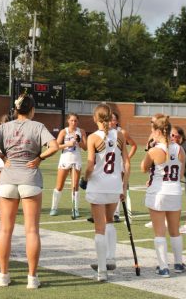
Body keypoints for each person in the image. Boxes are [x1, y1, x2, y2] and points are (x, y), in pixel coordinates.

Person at [0, 94, 58, 289]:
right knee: (31, 230)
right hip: (30, 178)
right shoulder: (38, 126)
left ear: (16, 110)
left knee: (5, 230)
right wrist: (40, 158)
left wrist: (2, 155)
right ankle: (32, 278)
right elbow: (54, 146)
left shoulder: (5, 126)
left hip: (7, 179)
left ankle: (3, 276)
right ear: (32, 110)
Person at [81, 104, 130, 282]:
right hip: (115, 185)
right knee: (110, 222)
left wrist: (85, 178)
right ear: (110, 117)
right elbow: (127, 163)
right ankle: (111, 257)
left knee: (99, 229)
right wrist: (124, 186)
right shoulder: (120, 135)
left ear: (95, 118)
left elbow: (90, 165)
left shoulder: (93, 138)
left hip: (99, 185)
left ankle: (102, 270)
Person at [141, 115, 186, 277]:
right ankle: (179, 263)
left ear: (158, 131)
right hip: (174, 191)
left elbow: (143, 168)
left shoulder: (154, 150)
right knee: (175, 231)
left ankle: (163, 267)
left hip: (158, 192)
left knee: (159, 232)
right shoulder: (179, 148)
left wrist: (149, 147)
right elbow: (180, 174)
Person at [50, 113, 87, 218]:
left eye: (75, 121)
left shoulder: (82, 132)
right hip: (65, 160)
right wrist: (68, 144)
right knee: (59, 185)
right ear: (68, 121)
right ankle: (54, 207)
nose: (74, 122)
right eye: (72, 120)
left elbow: (85, 147)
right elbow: (56, 146)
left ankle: (75, 209)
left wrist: (79, 141)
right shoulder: (63, 132)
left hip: (76, 160)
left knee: (75, 186)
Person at [111, 111, 137, 223]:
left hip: (120, 164)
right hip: (110, 164)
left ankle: (116, 213)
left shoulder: (122, 132)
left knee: (119, 187)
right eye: (109, 119)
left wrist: (126, 158)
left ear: (116, 121)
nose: (111, 121)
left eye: (113, 119)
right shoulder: (105, 132)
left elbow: (134, 146)